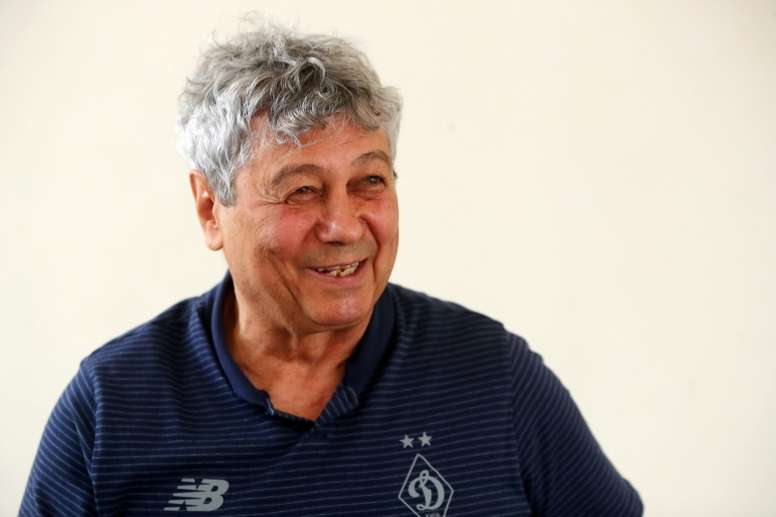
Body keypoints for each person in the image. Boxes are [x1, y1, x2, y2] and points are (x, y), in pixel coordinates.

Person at [21, 23, 643, 516]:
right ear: (211, 209)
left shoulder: (493, 377)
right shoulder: (110, 408)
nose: (344, 226)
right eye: (301, 190)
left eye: (369, 181)